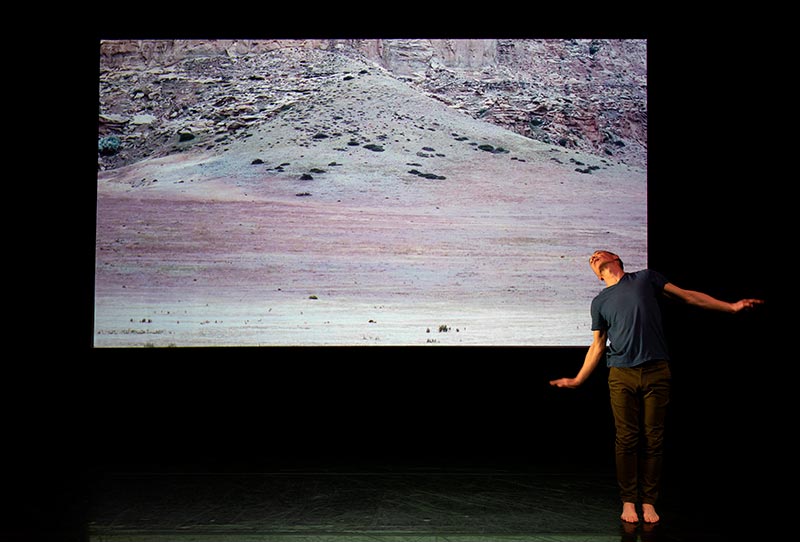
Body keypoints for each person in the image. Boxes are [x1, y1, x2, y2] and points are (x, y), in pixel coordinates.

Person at [549, 250, 764, 525]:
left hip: (656, 370)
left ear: (616, 259)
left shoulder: (645, 278)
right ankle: (629, 500)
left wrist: (731, 307)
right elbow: (598, 345)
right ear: (596, 274)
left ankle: (648, 501)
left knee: (653, 438)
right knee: (626, 439)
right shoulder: (599, 301)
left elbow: (688, 296)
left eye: (600, 253)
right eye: (592, 258)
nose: (595, 256)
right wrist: (578, 379)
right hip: (621, 374)